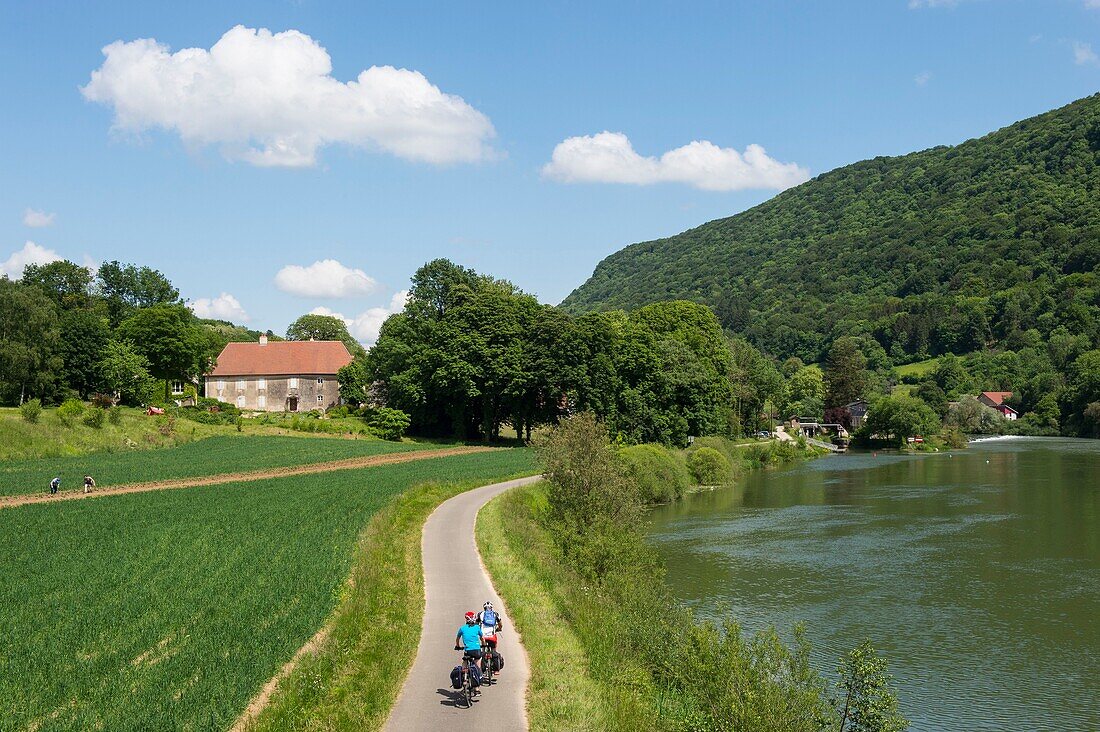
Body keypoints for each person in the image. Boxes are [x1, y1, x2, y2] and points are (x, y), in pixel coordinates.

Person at [454, 611, 483, 694]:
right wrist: (483, 644)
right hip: (477, 650)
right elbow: (482, 638)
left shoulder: (462, 628)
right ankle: (477, 688)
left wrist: (458, 646)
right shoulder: (477, 627)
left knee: (465, 661)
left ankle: (464, 677)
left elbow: (457, 638)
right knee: (477, 667)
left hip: (468, 651)